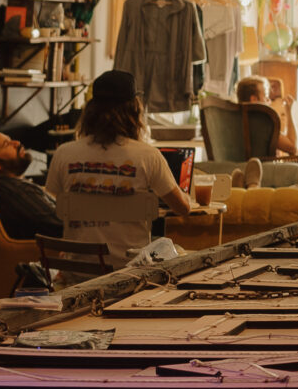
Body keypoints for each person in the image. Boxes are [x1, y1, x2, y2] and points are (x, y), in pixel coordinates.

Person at [48, 69, 195, 262]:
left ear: (90, 110)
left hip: (77, 275)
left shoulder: (63, 154)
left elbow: (53, 203)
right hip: (130, 276)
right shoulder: (147, 156)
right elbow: (183, 208)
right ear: (135, 110)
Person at [0, 129, 59, 242]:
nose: (17, 143)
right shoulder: (19, 193)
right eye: (7, 144)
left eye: (10, 139)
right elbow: (66, 229)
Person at [237, 74, 296, 160]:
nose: (269, 102)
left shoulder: (233, 120)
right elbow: (292, 147)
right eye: (266, 97)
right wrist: (289, 111)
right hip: (266, 170)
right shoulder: (264, 122)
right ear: (254, 99)